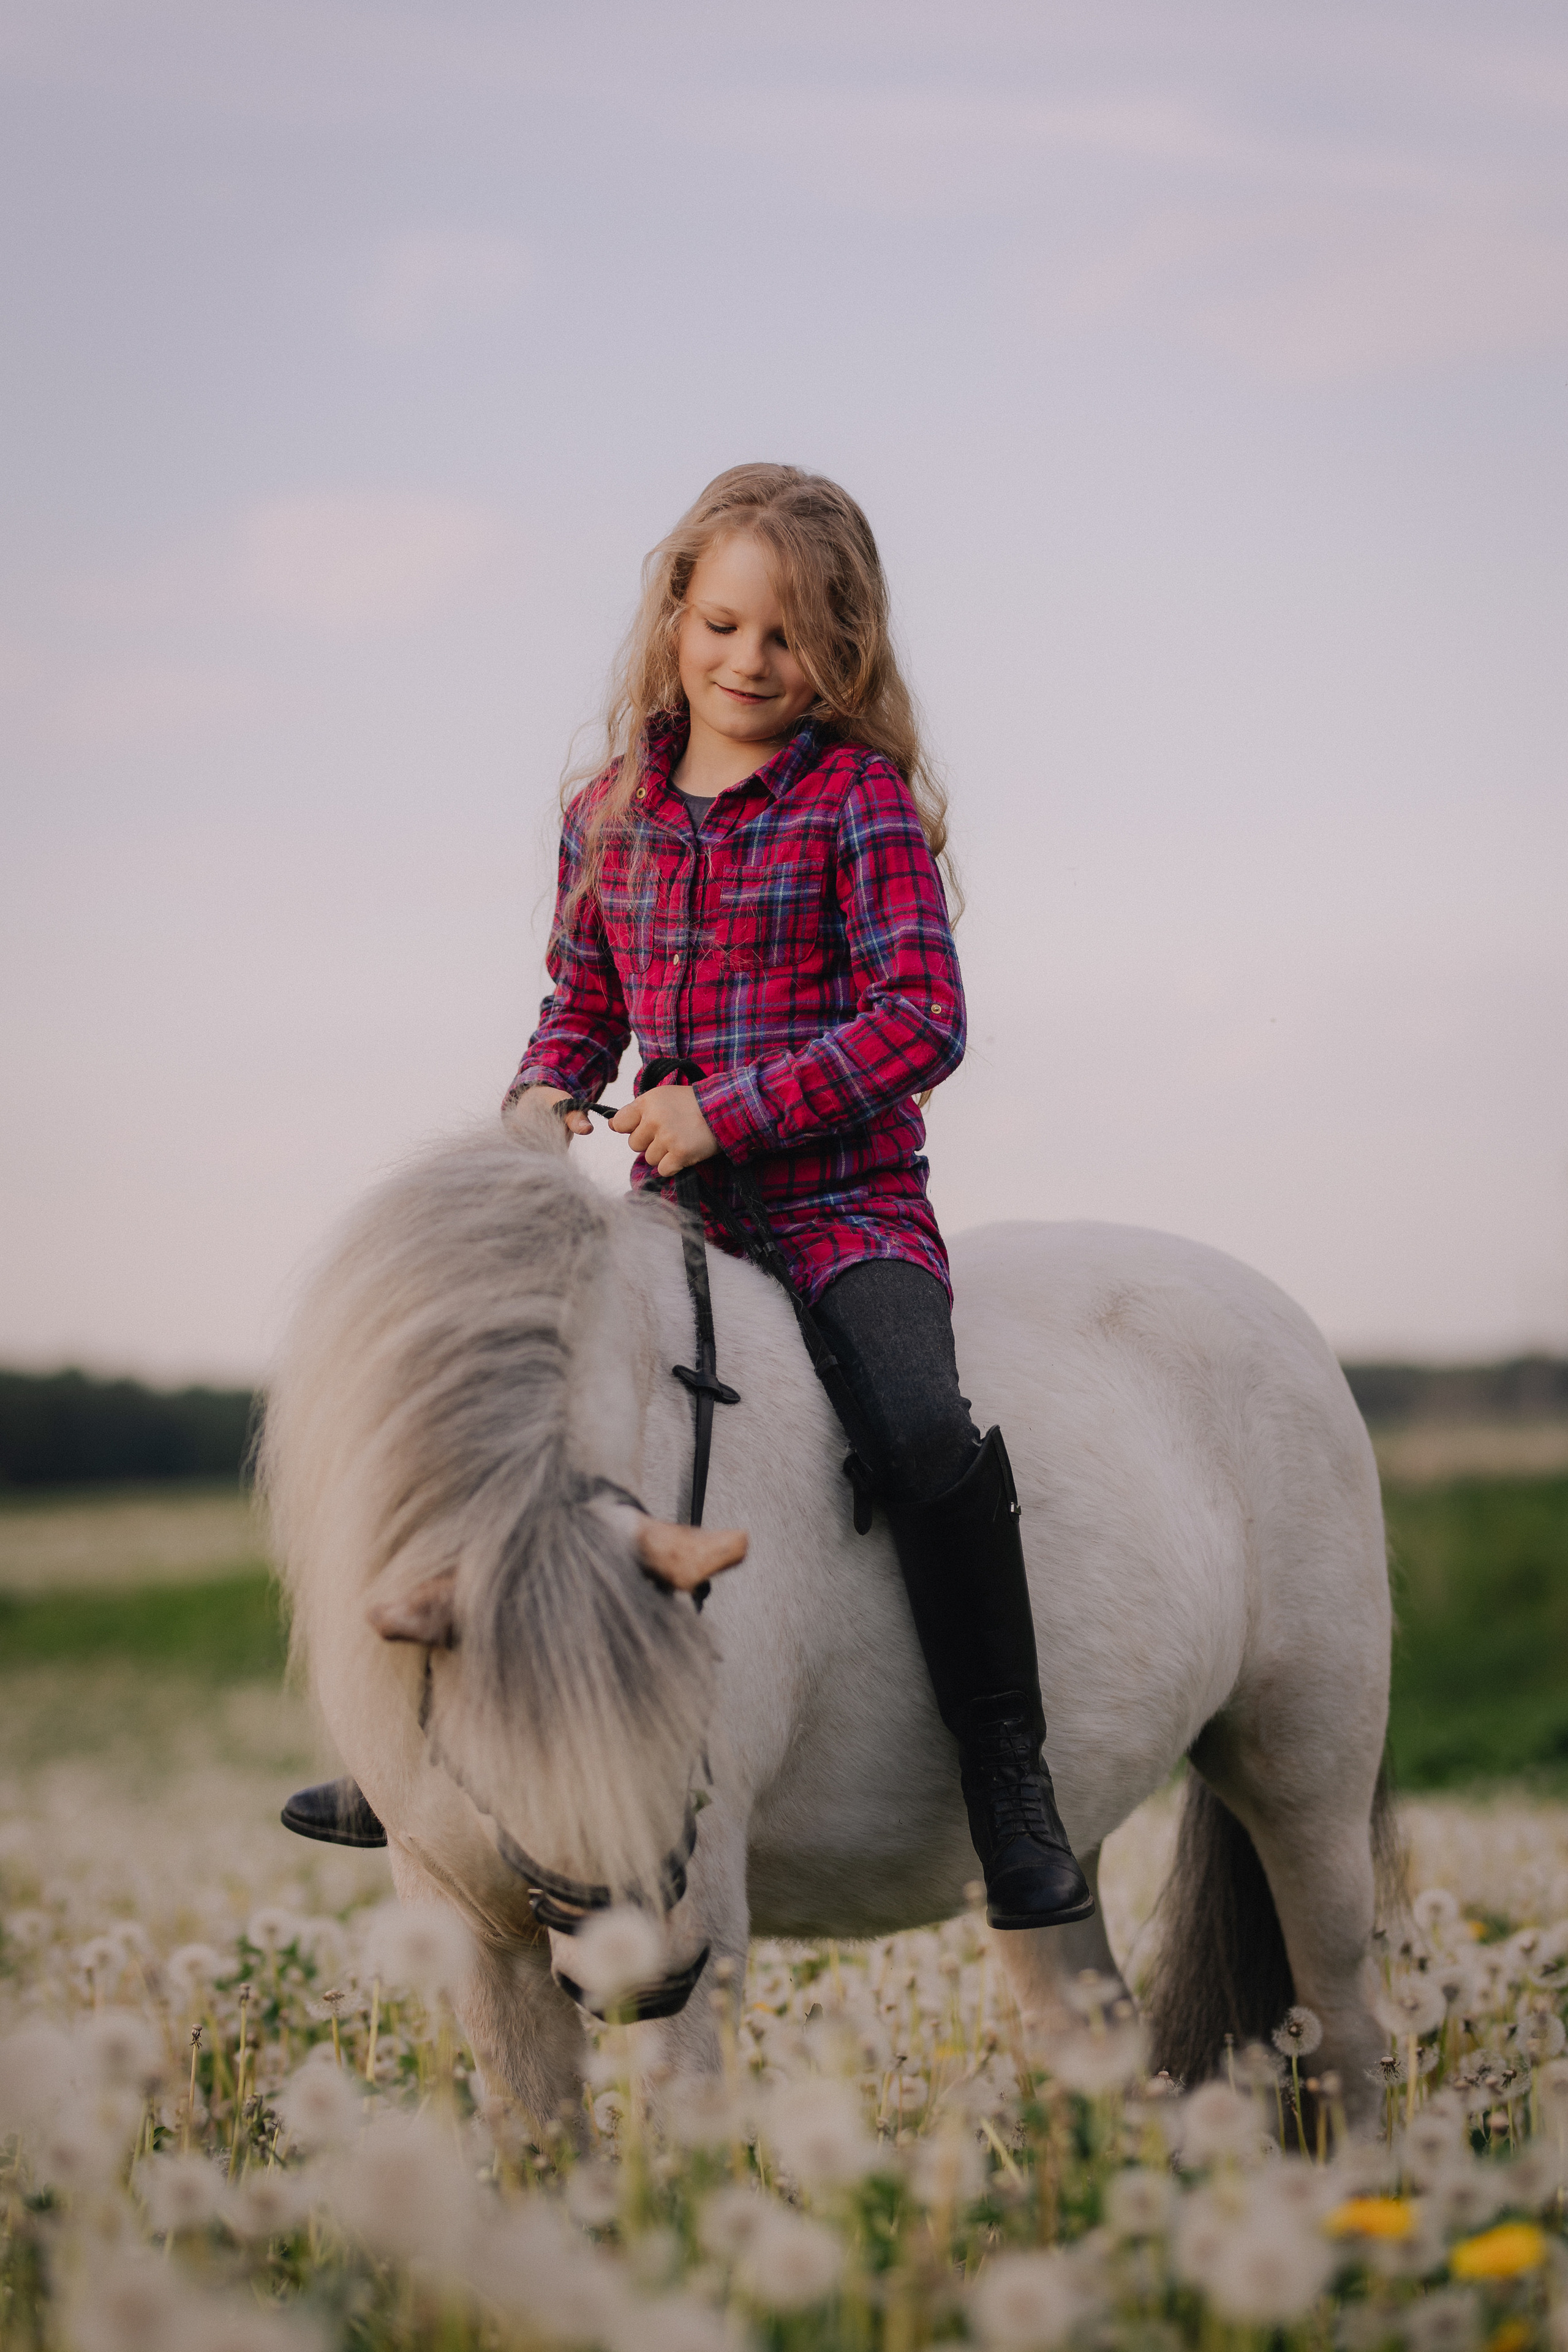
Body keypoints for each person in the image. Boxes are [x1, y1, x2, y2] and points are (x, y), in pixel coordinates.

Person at [283, 464, 1092, 1931]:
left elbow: (922, 1020)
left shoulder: (857, 803)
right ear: (674, 616)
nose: (747, 663)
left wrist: (727, 1107)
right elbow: (578, 1003)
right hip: (668, 1223)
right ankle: (401, 1748)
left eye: (786, 641)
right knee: (482, 1406)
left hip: (843, 1215)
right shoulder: (605, 814)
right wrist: (537, 1104)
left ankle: (1007, 1774)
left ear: (838, 652)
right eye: (721, 624)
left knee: (921, 1430)